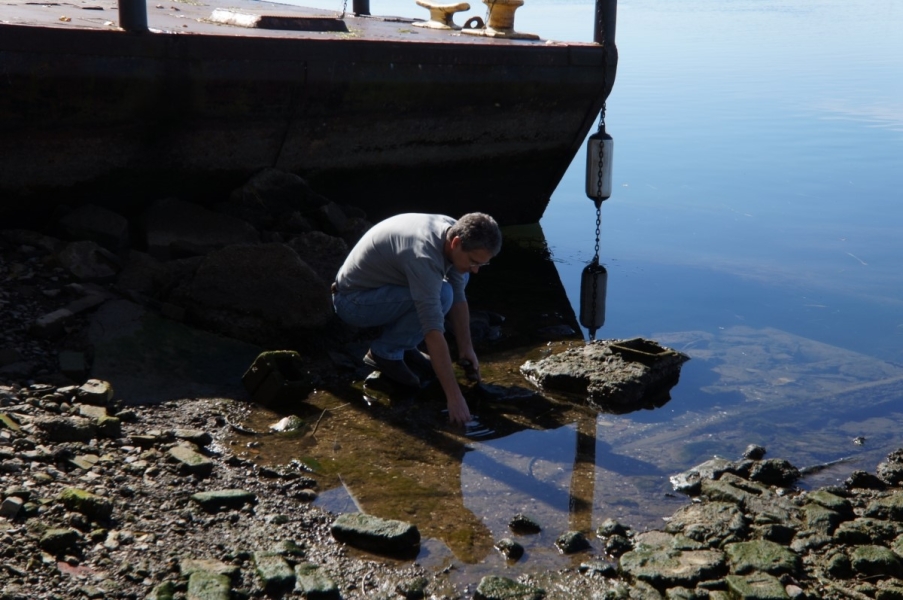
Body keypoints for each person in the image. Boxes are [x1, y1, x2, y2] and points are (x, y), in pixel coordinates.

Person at [331, 212, 502, 426]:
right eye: (474, 261)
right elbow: (433, 330)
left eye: (482, 265)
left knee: (452, 286)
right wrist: (455, 397)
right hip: (353, 302)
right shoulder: (424, 256)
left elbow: (459, 297)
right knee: (441, 295)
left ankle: (405, 344)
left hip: (384, 290)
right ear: (457, 242)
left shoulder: (453, 231)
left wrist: (467, 349)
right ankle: (385, 353)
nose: (476, 270)